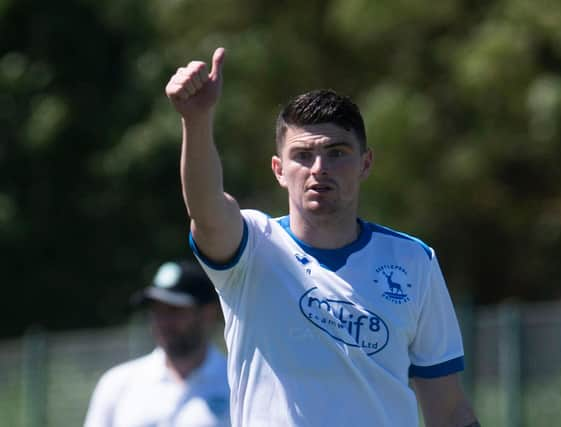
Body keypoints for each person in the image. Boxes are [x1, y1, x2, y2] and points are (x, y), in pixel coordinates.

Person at [165, 47, 480, 427]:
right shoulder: (252, 247)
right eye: (303, 155)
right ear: (279, 170)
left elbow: (448, 409)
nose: (319, 169)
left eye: (337, 152)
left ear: (365, 163)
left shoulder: (413, 261)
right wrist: (196, 121)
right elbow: (206, 208)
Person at [84, 260, 230, 427]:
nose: (162, 321)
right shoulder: (117, 384)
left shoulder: (235, 384)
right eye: (157, 310)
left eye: (174, 310)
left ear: (207, 314)